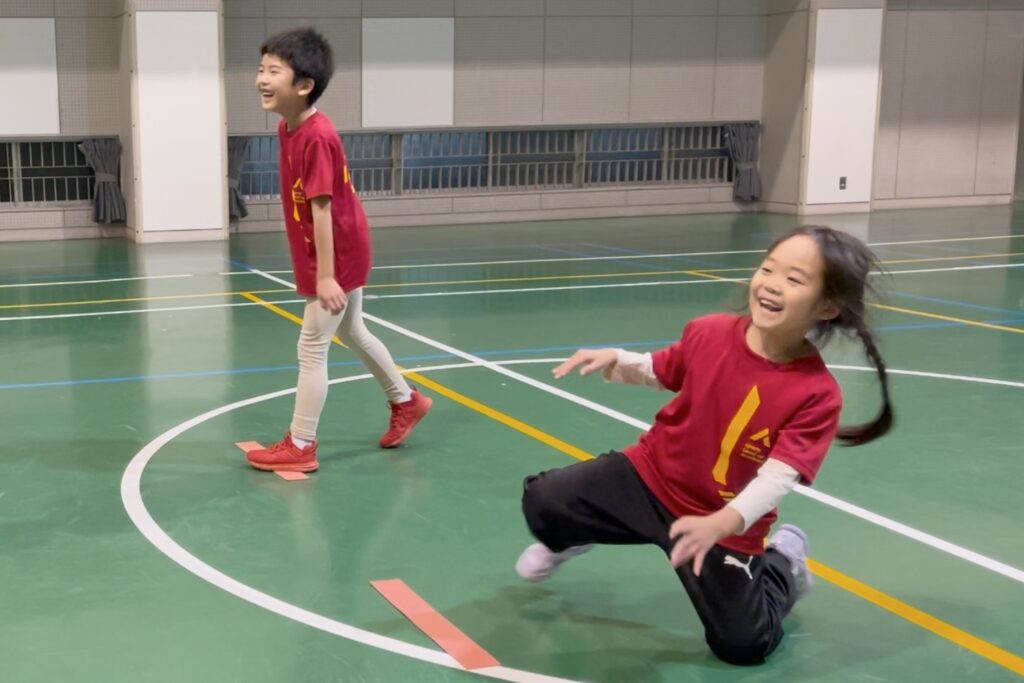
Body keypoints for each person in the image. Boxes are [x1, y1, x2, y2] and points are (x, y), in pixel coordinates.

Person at [515, 226, 894, 665]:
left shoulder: (817, 394)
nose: (772, 283)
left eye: (794, 279)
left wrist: (723, 523)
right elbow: (664, 369)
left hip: (719, 520)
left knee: (742, 644)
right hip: (649, 477)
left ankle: (784, 566)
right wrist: (618, 359)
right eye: (768, 268)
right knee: (543, 500)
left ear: (826, 305)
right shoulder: (710, 332)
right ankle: (575, 536)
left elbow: (776, 479)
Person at [246, 28, 431, 473]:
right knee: (353, 331)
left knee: (312, 346)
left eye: (274, 71)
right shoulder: (288, 127)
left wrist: (327, 276)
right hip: (336, 247)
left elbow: (322, 209)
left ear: (304, 85)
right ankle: (407, 402)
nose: (261, 79)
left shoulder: (318, 136)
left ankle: (301, 444)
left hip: (337, 251)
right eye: (260, 69)